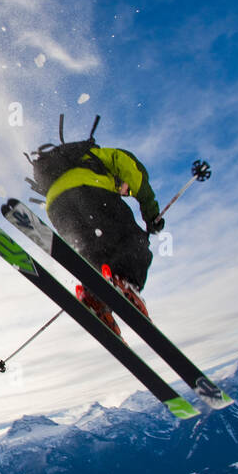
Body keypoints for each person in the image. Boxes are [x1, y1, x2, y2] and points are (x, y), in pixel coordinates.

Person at [26, 116, 164, 333]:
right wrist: (151, 214)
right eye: (125, 191)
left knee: (94, 254)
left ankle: (96, 298)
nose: (126, 193)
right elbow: (134, 173)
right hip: (91, 193)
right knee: (132, 240)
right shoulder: (106, 157)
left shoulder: (70, 164)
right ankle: (125, 281)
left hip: (56, 205)